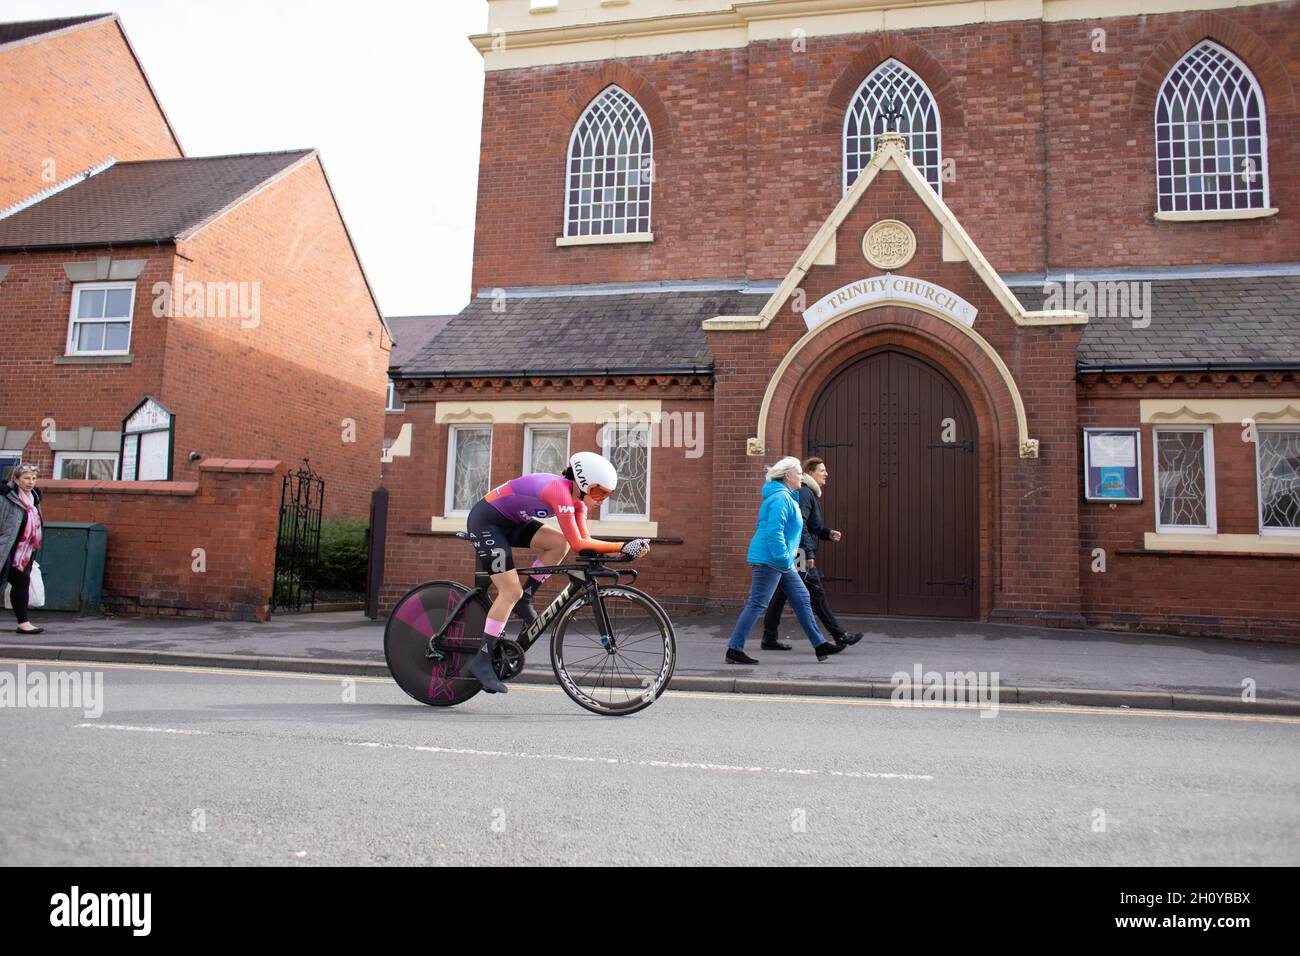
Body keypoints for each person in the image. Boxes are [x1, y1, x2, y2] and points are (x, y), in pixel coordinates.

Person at [463, 451, 649, 693]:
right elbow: (582, 543)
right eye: (598, 492)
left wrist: (619, 552)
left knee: (560, 543)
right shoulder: (558, 491)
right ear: (583, 484)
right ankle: (482, 660)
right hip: (486, 522)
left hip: (511, 522)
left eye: (607, 495)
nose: (602, 500)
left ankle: (526, 597)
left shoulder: (578, 503)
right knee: (509, 591)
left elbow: (583, 541)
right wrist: (621, 546)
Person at [724, 456, 845, 664]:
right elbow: (774, 532)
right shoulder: (780, 498)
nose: (801, 477)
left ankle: (819, 644)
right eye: (799, 473)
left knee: (802, 597)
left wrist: (787, 560)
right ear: (788, 476)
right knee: (757, 603)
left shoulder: (787, 496)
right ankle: (734, 649)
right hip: (770, 560)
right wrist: (783, 560)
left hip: (782, 561)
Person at [760, 457, 863, 650]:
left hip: (797, 551)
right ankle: (839, 635)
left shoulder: (809, 493)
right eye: (822, 470)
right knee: (816, 593)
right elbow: (801, 527)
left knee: (781, 593)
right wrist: (808, 554)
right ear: (810, 472)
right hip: (799, 553)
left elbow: (812, 526)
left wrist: (827, 533)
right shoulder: (806, 493)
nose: (826, 474)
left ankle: (769, 637)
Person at [1, 463, 45, 635]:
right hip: (5, 549)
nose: (30, 482)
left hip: (22, 552)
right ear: (16, 479)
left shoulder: (34, 498)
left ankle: (23, 623)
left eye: (33, 478)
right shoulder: (5, 497)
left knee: (21, 583)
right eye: (26, 478)